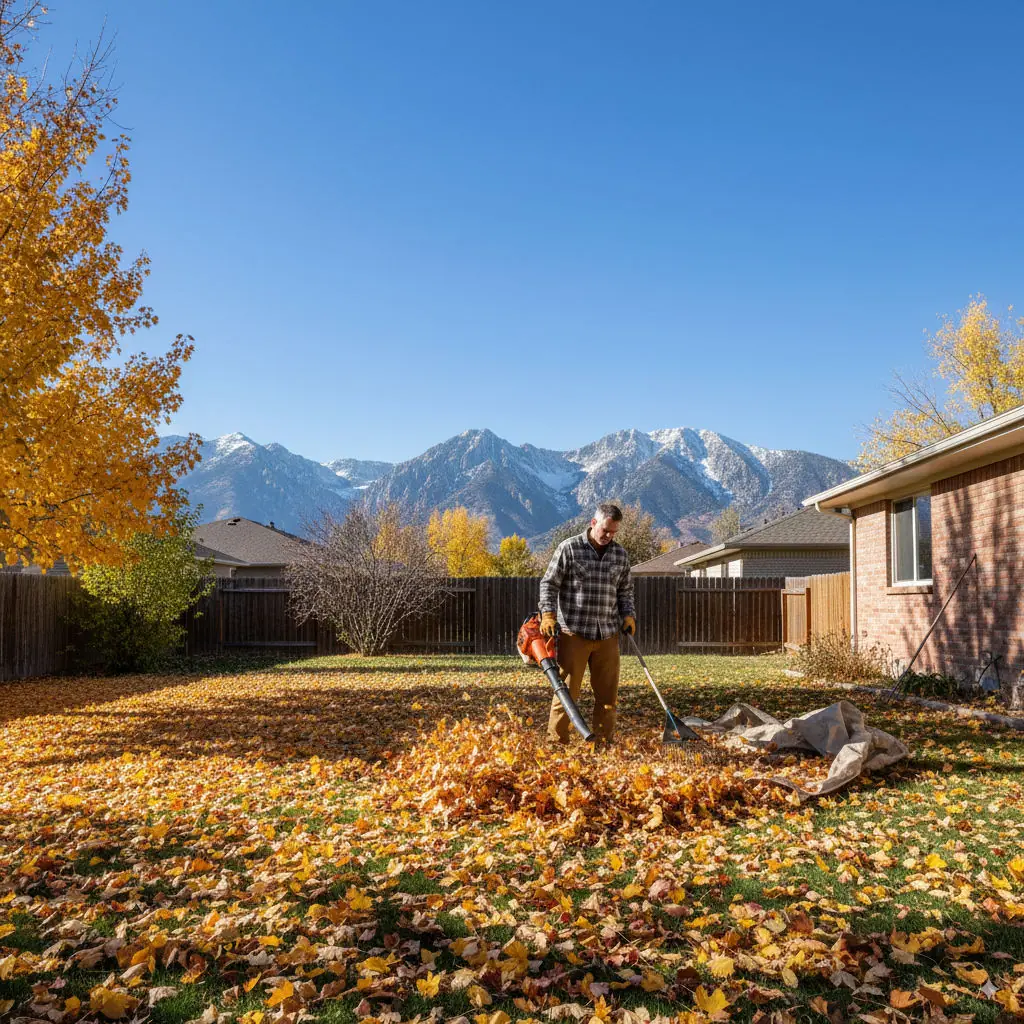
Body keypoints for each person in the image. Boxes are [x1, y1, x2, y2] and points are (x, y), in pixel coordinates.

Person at [538, 502, 635, 745]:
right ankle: (556, 744)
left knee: (608, 696)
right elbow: (549, 583)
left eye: (614, 532)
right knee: (566, 694)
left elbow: (625, 591)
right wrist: (548, 614)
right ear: (593, 523)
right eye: (605, 530)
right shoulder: (569, 548)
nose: (609, 536)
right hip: (574, 633)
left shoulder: (620, 555)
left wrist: (628, 614)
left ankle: (602, 744)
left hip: (607, 636)